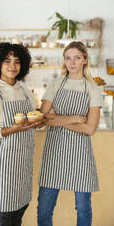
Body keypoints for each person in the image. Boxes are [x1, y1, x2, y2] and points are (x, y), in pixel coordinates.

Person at [0, 42, 44, 226]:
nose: (12, 66)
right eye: (7, 61)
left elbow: (28, 121)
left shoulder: (26, 92)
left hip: (22, 172)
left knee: (16, 220)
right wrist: (9, 130)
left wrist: (37, 123)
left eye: (17, 61)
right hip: (2, 174)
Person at [37, 41, 102, 226]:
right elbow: (43, 119)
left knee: (83, 210)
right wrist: (76, 118)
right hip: (54, 155)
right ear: (64, 61)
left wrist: (57, 119)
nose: (72, 62)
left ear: (85, 60)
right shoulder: (55, 84)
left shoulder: (93, 89)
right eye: (68, 58)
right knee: (44, 210)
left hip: (80, 155)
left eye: (77, 58)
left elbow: (90, 129)